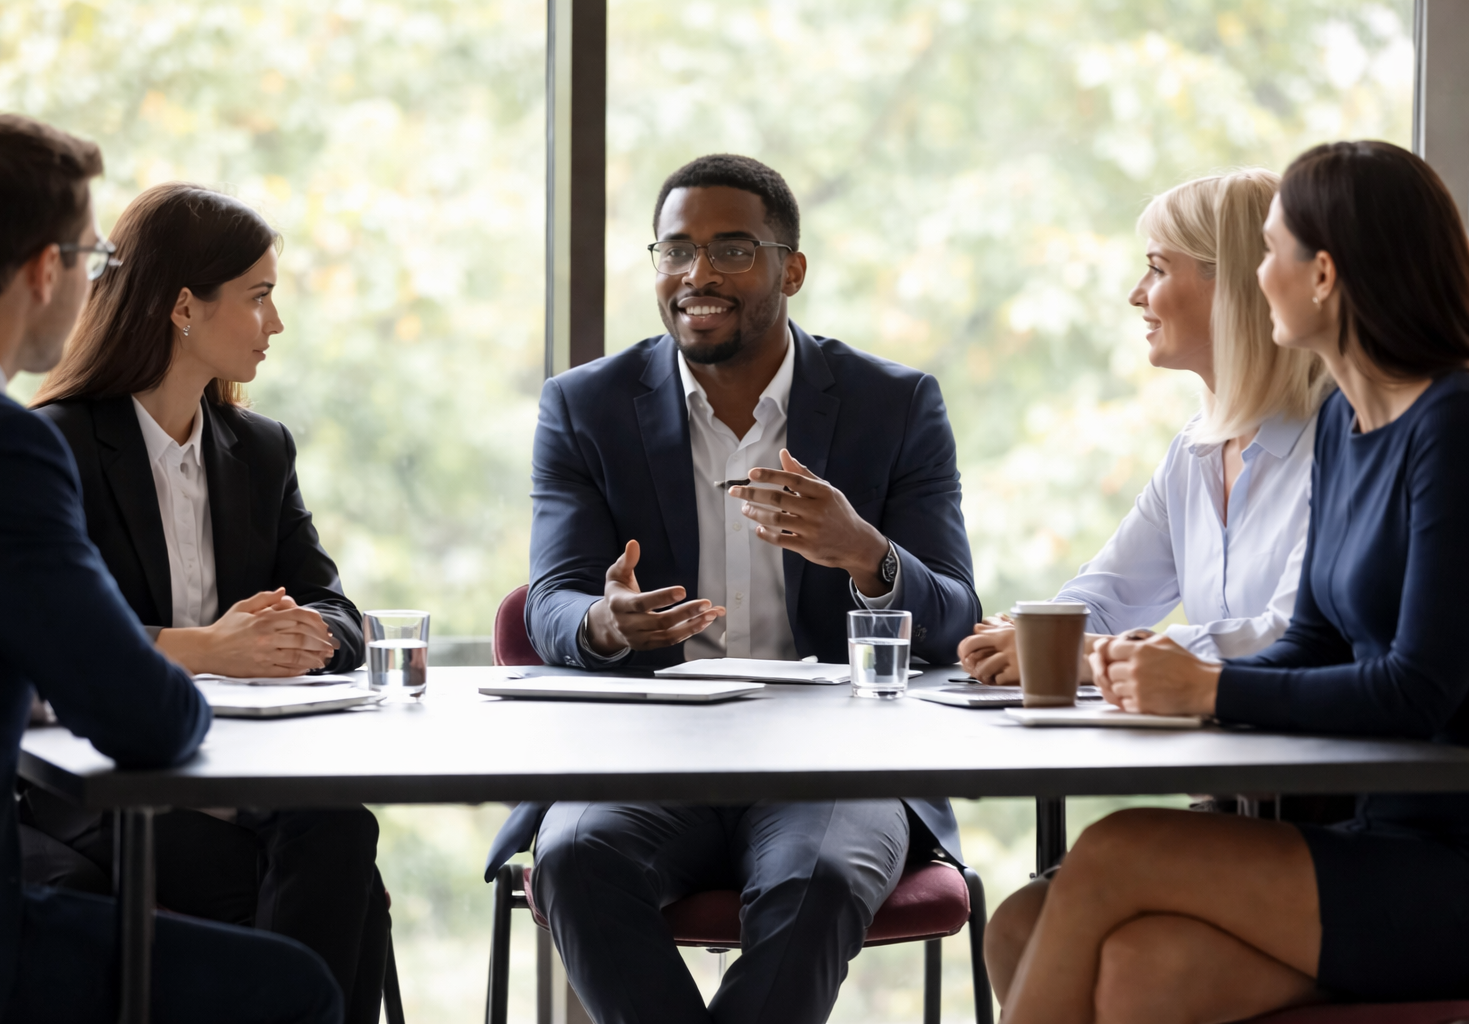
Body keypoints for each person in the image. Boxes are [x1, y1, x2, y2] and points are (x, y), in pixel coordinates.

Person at [484, 154, 982, 1024]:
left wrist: (865, 554)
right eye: (676, 251)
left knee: (820, 878)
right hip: (645, 758)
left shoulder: (894, 404)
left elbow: (956, 621)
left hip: (835, 764)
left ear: (792, 269)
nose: (698, 275)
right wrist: (606, 622)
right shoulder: (585, 406)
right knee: (573, 860)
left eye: (732, 250)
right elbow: (554, 600)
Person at [989, 140, 1469, 1023]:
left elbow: (1420, 688)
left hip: (1441, 854)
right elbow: (1311, 642)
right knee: (1092, 952)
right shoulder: (1350, 428)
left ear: (1321, 275)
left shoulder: (1452, 426)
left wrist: (1208, 688)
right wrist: (1177, 677)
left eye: (1268, 251)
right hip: (1368, 834)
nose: (1258, 276)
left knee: (1116, 848)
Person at [0, 111, 340, 1023]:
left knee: (328, 849)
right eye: (90, 257)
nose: (96, 280)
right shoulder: (1, 442)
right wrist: (207, 652)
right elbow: (145, 717)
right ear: (45, 270)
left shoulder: (255, 446)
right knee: (293, 989)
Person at [23, 182, 389, 1024]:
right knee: (337, 891)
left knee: (341, 833)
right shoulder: (57, 444)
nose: (276, 322)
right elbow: (53, 640)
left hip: (245, 769)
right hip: (111, 780)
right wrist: (212, 648)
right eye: (258, 296)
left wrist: (299, 634)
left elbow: (335, 608)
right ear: (184, 307)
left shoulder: (259, 449)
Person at [958, 168, 1331, 687]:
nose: (1137, 294)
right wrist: (1028, 633)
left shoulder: (1338, 443)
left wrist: (1080, 652)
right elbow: (1107, 596)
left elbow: (1291, 636)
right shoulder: (1196, 449)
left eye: (1157, 269)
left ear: (1235, 285)